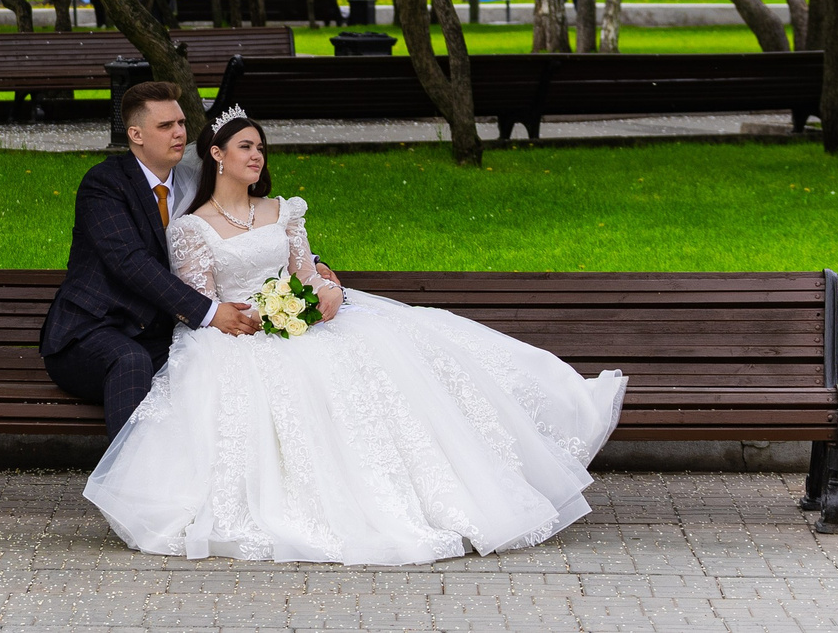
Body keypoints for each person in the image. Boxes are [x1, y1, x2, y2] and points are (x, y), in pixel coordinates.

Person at [82, 106, 627, 565]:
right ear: (217, 155)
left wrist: (327, 291)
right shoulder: (192, 226)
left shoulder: (283, 211)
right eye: (246, 147)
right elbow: (200, 299)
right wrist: (248, 318)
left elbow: (306, 272)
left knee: (385, 363)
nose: (257, 157)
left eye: (262, 148)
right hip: (236, 334)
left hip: (302, 322)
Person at [40, 83, 251, 440]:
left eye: (182, 123)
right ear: (135, 134)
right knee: (130, 361)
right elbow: (130, 263)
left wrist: (311, 262)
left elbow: (245, 224)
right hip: (90, 332)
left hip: (155, 334)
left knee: (219, 358)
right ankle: (131, 487)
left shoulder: (192, 181)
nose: (180, 133)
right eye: (166, 126)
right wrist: (211, 313)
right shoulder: (104, 184)